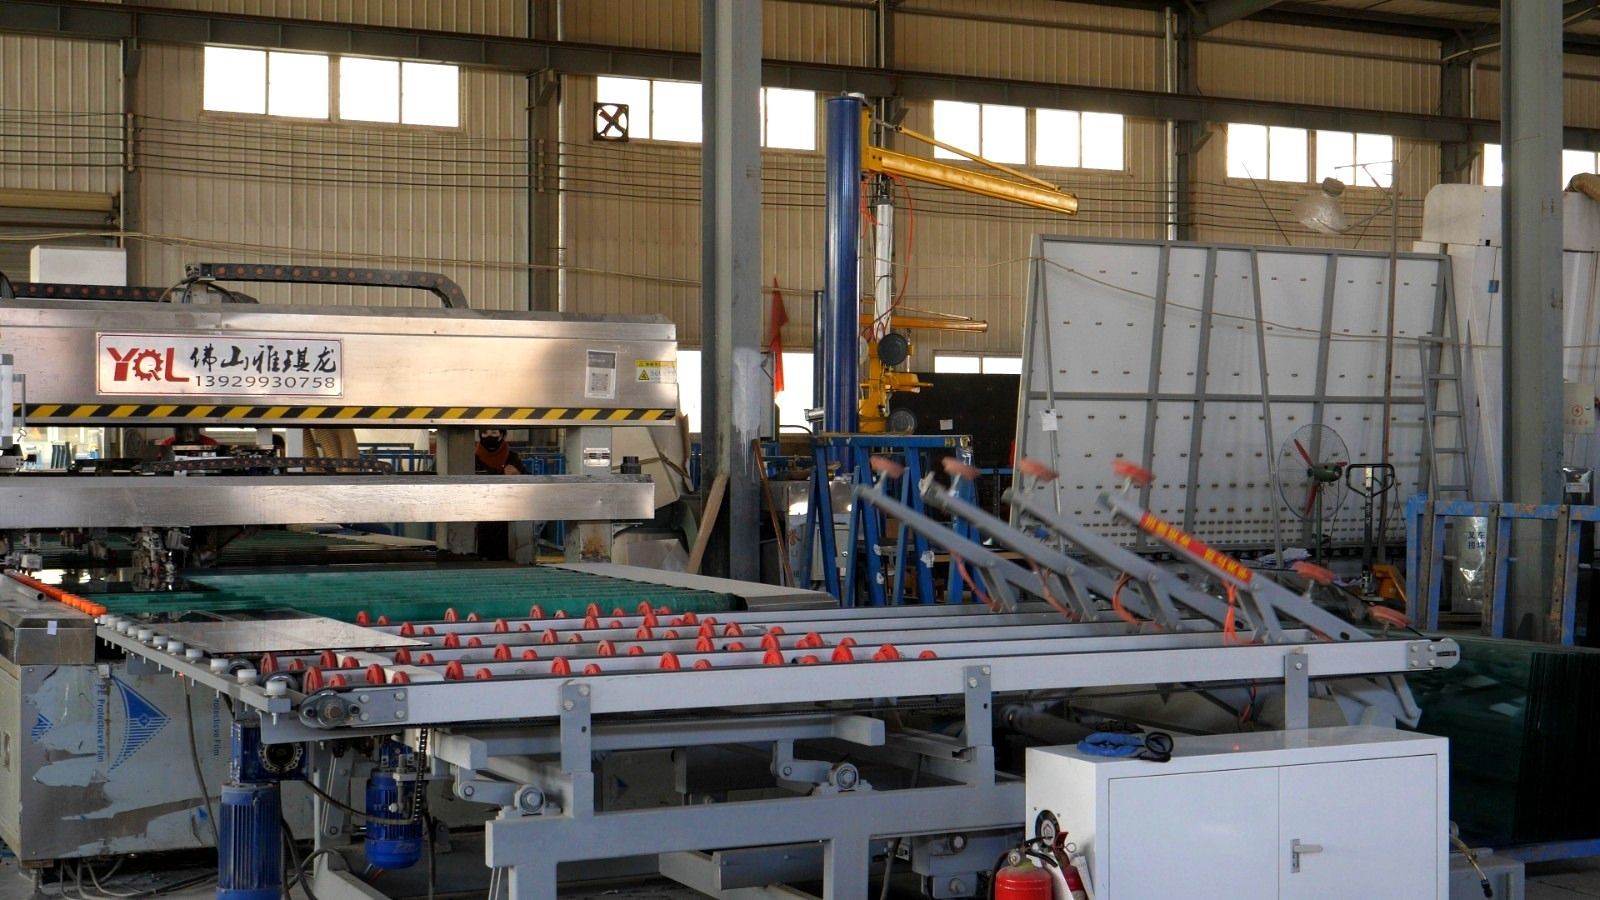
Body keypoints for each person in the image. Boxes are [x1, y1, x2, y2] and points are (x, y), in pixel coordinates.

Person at [474, 429, 525, 560]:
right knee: (483, 553)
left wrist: (517, 475)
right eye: (485, 433)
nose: (489, 436)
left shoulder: (512, 457)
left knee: (503, 553)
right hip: (480, 513)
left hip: (506, 513)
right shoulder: (473, 458)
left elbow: (528, 481)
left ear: (501, 435)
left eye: (494, 433)